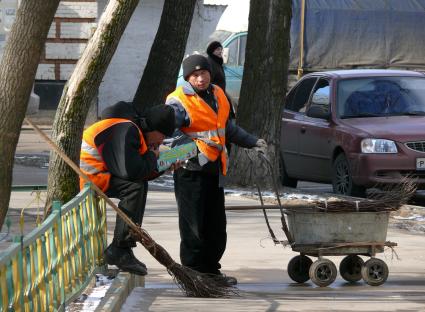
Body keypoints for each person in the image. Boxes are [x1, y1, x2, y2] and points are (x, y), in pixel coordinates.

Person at [166, 54, 267, 286]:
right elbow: (169, 134)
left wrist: (252, 141)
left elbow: (227, 128)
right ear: (188, 77)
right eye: (195, 75)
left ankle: (211, 271)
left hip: (214, 171)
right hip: (190, 172)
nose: (200, 79)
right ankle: (193, 273)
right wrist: (171, 159)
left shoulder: (219, 95)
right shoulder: (178, 100)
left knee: (216, 227)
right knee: (194, 226)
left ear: (210, 73)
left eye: (204, 73)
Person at [79, 101, 176, 276]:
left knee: (138, 186)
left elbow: (138, 171)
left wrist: (163, 165)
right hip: (89, 177)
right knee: (134, 188)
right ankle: (120, 248)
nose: (161, 141)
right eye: (162, 136)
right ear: (153, 129)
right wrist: (152, 157)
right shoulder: (125, 128)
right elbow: (130, 172)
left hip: (100, 175)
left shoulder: (133, 129)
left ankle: (124, 246)